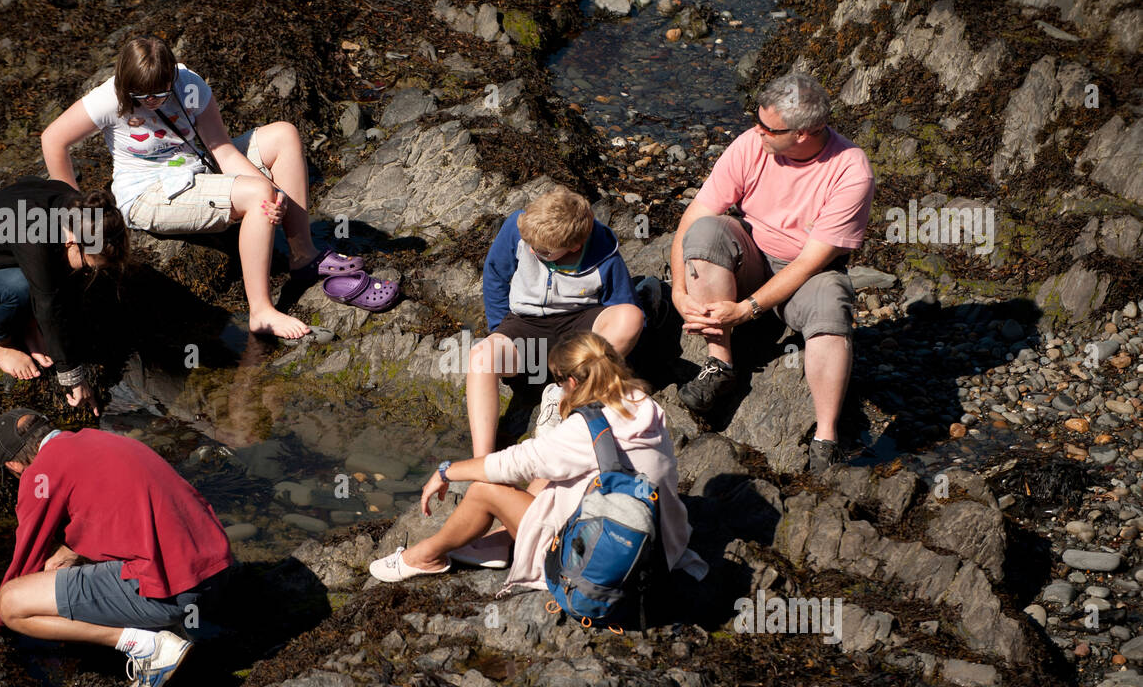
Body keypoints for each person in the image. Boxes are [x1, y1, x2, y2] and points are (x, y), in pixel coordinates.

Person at [40, 35, 396, 340]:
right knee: (259, 196)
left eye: (159, 95)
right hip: (149, 192)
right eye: (140, 96)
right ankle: (261, 311)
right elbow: (53, 140)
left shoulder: (190, 86)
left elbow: (221, 148)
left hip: (197, 164)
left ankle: (303, 255)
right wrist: (77, 212)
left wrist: (270, 189)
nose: (149, 102)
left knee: (283, 135)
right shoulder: (107, 99)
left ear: (171, 78)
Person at [370, 332, 707, 595]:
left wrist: (446, 470)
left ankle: (425, 556)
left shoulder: (584, 429)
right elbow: (549, 462)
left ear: (572, 383)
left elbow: (518, 462)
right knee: (546, 478)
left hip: (593, 560)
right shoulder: (644, 405)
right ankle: (501, 541)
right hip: (659, 544)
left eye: (559, 382)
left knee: (485, 490)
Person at [0, 409, 233, 687]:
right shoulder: (103, 440)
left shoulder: (39, 475)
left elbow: (25, 562)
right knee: (62, 569)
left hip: (176, 596)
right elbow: (119, 511)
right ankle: (174, 625)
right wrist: (71, 551)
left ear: (13, 466)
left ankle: (148, 647)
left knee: (12, 603)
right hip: (216, 572)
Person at [670, 72, 875, 472]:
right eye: (757, 120)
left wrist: (747, 310)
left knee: (831, 309)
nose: (756, 131)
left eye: (768, 128)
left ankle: (826, 437)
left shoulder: (851, 171)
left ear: (804, 134)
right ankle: (720, 365)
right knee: (707, 231)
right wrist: (679, 290)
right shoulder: (751, 145)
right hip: (751, 255)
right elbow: (694, 215)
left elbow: (808, 263)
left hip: (805, 272)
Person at [0, 177, 127, 414]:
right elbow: (49, 302)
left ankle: (26, 323)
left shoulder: (74, 206)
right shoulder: (33, 232)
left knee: (51, 279)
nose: (90, 272)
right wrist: (74, 379)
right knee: (21, 287)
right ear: (72, 241)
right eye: (89, 266)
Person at [470, 184, 644, 457]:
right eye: (530, 245)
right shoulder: (518, 228)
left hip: (580, 326)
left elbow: (623, 306)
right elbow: (495, 275)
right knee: (481, 356)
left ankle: (565, 394)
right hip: (525, 325)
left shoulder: (604, 253)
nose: (532, 252)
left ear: (575, 245)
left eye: (544, 252)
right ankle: (482, 459)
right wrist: (498, 329)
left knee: (632, 317)